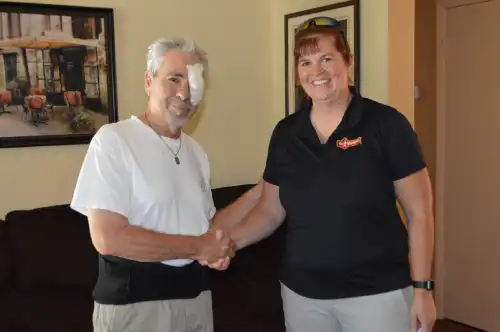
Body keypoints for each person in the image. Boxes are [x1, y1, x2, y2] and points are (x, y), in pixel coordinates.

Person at [218, 17, 436, 332]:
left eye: (326, 58)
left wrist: (423, 289)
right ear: (297, 73)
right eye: (305, 62)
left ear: (349, 62)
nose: (316, 71)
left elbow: (420, 214)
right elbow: (269, 210)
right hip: (302, 296)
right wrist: (229, 243)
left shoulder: (386, 125)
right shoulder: (286, 133)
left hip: (377, 295)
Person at [70, 37, 262, 332]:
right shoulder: (114, 140)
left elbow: (206, 226)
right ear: (149, 81)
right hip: (134, 307)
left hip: (195, 300)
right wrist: (200, 248)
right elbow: (109, 238)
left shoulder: (196, 152)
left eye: (194, 82)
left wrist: (263, 189)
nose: (185, 92)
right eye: (174, 79)